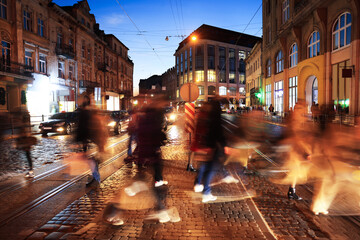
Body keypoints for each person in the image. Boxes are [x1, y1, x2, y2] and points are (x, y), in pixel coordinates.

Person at [193, 98, 227, 203]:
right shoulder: (213, 115)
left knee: (205, 166)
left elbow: (197, 128)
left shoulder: (203, 114)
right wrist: (224, 145)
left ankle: (198, 184)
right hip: (209, 145)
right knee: (210, 169)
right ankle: (206, 192)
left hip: (201, 144)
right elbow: (217, 131)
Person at [14, 109, 37, 178]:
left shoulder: (23, 124)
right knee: (27, 156)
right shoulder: (24, 123)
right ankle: (30, 170)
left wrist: (19, 140)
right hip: (25, 141)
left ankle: (30, 171)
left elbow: (24, 133)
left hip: (25, 142)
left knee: (27, 156)